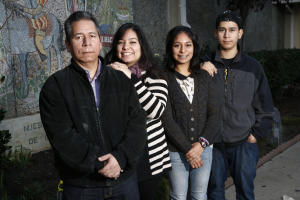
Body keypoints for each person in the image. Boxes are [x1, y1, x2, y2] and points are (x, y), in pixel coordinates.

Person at [39, 11, 147, 200]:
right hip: (82, 187)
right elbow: (62, 136)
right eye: (79, 37)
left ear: (100, 41)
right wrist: (100, 164)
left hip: (124, 182)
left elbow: (137, 124)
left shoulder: (121, 80)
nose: (87, 43)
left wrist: (120, 159)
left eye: (92, 36)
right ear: (67, 45)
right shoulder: (55, 87)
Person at [201, 10, 274, 200]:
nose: (227, 35)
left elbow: (265, 105)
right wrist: (199, 66)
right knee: (214, 192)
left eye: (232, 30)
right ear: (215, 33)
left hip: (244, 143)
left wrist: (256, 134)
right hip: (213, 144)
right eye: (222, 30)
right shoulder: (204, 65)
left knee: (245, 193)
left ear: (240, 33)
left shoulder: (253, 67)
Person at [104, 23, 172, 200]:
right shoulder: (107, 73)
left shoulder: (154, 74)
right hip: (119, 154)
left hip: (149, 158)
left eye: (132, 42)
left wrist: (131, 78)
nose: (126, 47)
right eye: (121, 42)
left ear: (142, 46)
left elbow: (155, 111)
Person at [161, 26, 221, 200]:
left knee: (199, 195)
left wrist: (201, 145)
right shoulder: (163, 77)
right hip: (175, 151)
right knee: (178, 196)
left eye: (188, 45)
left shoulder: (204, 76)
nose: (182, 50)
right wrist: (189, 149)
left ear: (194, 47)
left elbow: (215, 115)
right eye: (177, 45)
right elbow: (166, 119)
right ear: (170, 48)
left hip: (204, 149)